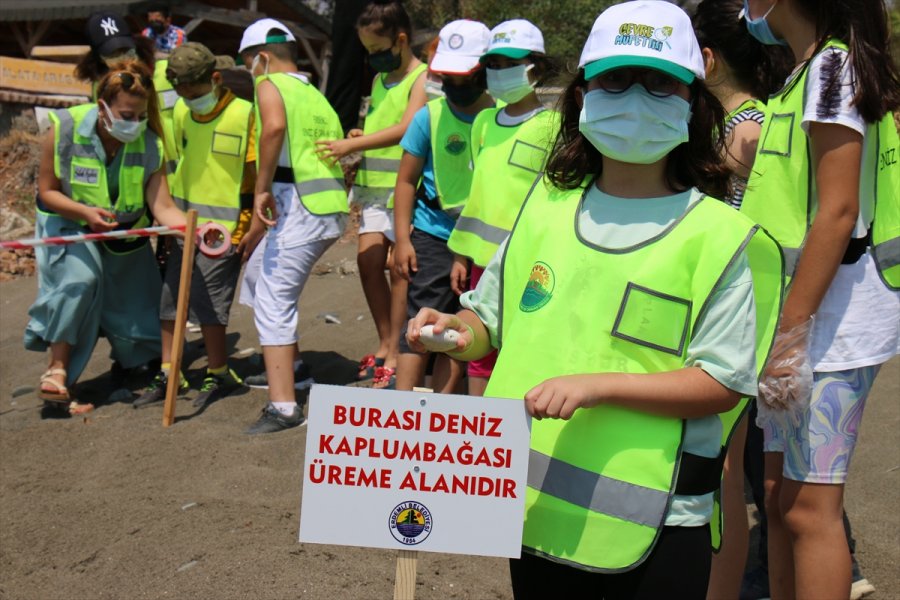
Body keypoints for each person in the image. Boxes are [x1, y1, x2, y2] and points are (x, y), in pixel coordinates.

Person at [407, 2, 784, 597]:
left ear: (693, 103)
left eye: (660, 83)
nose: (635, 97)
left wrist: (596, 385)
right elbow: (491, 319)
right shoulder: (545, 208)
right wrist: (454, 330)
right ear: (583, 97)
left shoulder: (723, 238)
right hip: (527, 508)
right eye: (614, 79)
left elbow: (723, 383)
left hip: (658, 524)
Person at [738, 1, 900, 599]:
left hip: (833, 323)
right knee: (780, 499)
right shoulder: (805, 71)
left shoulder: (833, 68)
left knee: (810, 510)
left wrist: (789, 335)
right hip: (806, 318)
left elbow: (837, 212)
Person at [690, 3, 793, 598]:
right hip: (742, 311)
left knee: (728, 472)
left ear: (708, 58)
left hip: (744, 313)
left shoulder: (748, 128)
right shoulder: (747, 121)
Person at [26, 61, 186, 416]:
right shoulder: (63, 128)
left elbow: (162, 206)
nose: (135, 122)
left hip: (124, 237)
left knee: (137, 306)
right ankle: (58, 370)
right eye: (127, 114)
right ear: (102, 107)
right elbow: (47, 192)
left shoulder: (151, 144)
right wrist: (85, 214)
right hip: (69, 224)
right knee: (79, 281)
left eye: (141, 115)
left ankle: (134, 367)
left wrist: (193, 229)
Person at [133, 43, 265, 410]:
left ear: (215, 79)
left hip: (224, 231)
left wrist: (246, 226)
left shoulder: (245, 115)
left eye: (195, 92)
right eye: (183, 93)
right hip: (183, 226)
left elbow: (254, 178)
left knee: (210, 306)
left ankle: (218, 370)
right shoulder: (179, 112)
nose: (190, 100)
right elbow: (177, 164)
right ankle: (168, 369)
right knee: (170, 301)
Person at [238, 19, 349, 434]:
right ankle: (293, 368)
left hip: (298, 204)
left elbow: (274, 129)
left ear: (262, 57)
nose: (249, 70)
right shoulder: (312, 93)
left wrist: (260, 190)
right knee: (255, 278)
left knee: (273, 299)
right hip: (323, 206)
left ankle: (284, 407)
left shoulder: (270, 84)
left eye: (249, 62)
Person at [315, 0, 427, 389]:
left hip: (406, 189)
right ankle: (384, 341)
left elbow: (407, 128)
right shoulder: (381, 81)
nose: (373, 59)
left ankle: (397, 351)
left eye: (378, 51)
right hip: (374, 188)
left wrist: (348, 149)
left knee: (400, 271)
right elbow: (383, 125)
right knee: (367, 262)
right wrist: (361, 137)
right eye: (367, 52)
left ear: (400, 40)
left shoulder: (423, 78)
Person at [446, 18, 559, 397]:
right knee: (477, 349)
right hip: (482, 265)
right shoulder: (482, 122)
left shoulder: (553, 127)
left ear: (535, 69)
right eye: (492, 65)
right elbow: (477, 198)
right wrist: (462, 256)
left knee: (521, 344)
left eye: (509, 64)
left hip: (530, 264)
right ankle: (481, 427)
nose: (499, 73)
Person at [393, 19, 494, 394]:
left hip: (482, 243)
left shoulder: (498, 121)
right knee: (419, 325)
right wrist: (403, 240)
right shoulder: (429, 117)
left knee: (460, 329)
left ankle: (444, 416)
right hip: (433, 235)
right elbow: (405, 181)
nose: (454, 86)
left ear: (485, 71)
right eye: (446, 76)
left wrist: (466, 250)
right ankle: (401, 410)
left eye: (463, 76)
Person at [76, 12, 156, 97]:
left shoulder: (160, 73)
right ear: (100, 58)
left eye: (126, 50)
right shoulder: (102, 90)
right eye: (113, 54)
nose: (124, 59)